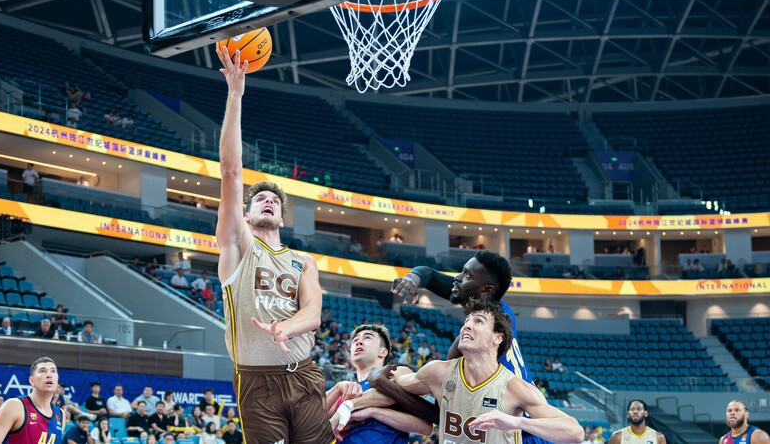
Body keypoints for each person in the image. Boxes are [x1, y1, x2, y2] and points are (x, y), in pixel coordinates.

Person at [215, 44, 331, 444]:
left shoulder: (303, 261)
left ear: (282, 217)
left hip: (304, 373)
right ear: (245, 216)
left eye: (275, 201)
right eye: (259, 199)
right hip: (256, 382)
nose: (268, 201)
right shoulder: (237, 245)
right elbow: (231, 172)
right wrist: (235, 94)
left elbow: (313, 312)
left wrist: (285, 328)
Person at [331, 299, 585, 444]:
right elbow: (393, 386)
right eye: (466, 321)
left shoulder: (514, 388)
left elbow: (575, 432)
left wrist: (517, 421)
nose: (467, 326)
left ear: (498, 338)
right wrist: (352, 404)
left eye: (478, 321)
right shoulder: (438, 373)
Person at [390, 250, 554, 444]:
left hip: (518, 432)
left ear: (486, 291)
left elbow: (441, 412)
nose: (457, 278)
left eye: (467, 275)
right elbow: (430, 274)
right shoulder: (500, 312)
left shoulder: (468, 344)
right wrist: (413, 278)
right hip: (529, 424)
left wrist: (385, 386)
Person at [326, 324, 432, 443]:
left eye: (367, 338)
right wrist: (337, 387)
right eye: (355, 340)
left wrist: (373, 412)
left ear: (383, 352)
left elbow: (425, 428)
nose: (359, 342)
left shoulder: (398, 372)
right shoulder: (345, 391)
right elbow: (312, 416)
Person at [0, 357, 67, 444]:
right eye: (42, 371)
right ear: (32, 381)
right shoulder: (13, 406)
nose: (49, 375)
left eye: (53, 371)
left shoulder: (60, 414)